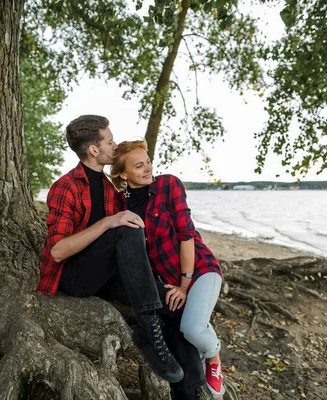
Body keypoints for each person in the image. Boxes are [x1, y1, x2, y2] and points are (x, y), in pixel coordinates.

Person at [37, 115, 203, 395]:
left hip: (107, 275)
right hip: (75, 278)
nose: (115, 146)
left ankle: (189, 390)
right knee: (123, 228)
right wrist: (108, 222)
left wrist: (178, 282)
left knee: (174, 304)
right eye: (110, 141)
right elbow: (57, 251)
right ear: (93, 150)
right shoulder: (67, 186)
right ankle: (148, 328)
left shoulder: (110, 190)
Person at [111, 140, 225, 399]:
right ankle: (188, 388)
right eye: (139, 165)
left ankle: (214, 356)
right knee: (175, 322)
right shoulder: (121, 206)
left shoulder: (167, 185)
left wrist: (184, 285)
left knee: (193, 329)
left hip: (199, 269)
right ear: (123, 174)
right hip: (166, 281)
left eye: (148, 161)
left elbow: (186, 236)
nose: (148, 168)